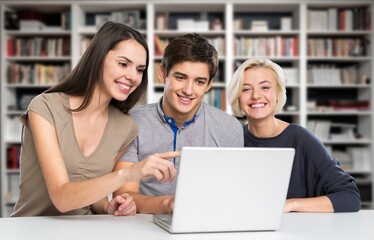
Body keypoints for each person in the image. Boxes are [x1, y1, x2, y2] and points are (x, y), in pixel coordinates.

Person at [11, 21, 177, 217]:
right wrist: (129, 173)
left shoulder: (125, 127)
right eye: (123, 64)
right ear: (98, 59)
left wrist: (107, 206)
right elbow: (62, 198)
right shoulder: (44, 107)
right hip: (30, 229)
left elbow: (90, 190)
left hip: (87, 229)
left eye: (140, 70)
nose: (133, 76)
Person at [113, 33, 244, 214]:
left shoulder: (229, 128)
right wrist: (170, 204)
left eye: (199, 82)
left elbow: (233, 192)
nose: (188, 90)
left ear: (209, 85)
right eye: (180, 77)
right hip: (144, 224)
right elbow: (125, 195)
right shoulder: (131, 123)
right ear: (163, 74)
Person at [227, 57, 361, 212]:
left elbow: (350, 197)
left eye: (265, 87)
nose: (256, 96)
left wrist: (291, 204)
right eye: (246, 89)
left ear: (277, 93)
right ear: (237, 96)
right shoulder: (233, 140)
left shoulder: (301, 139)